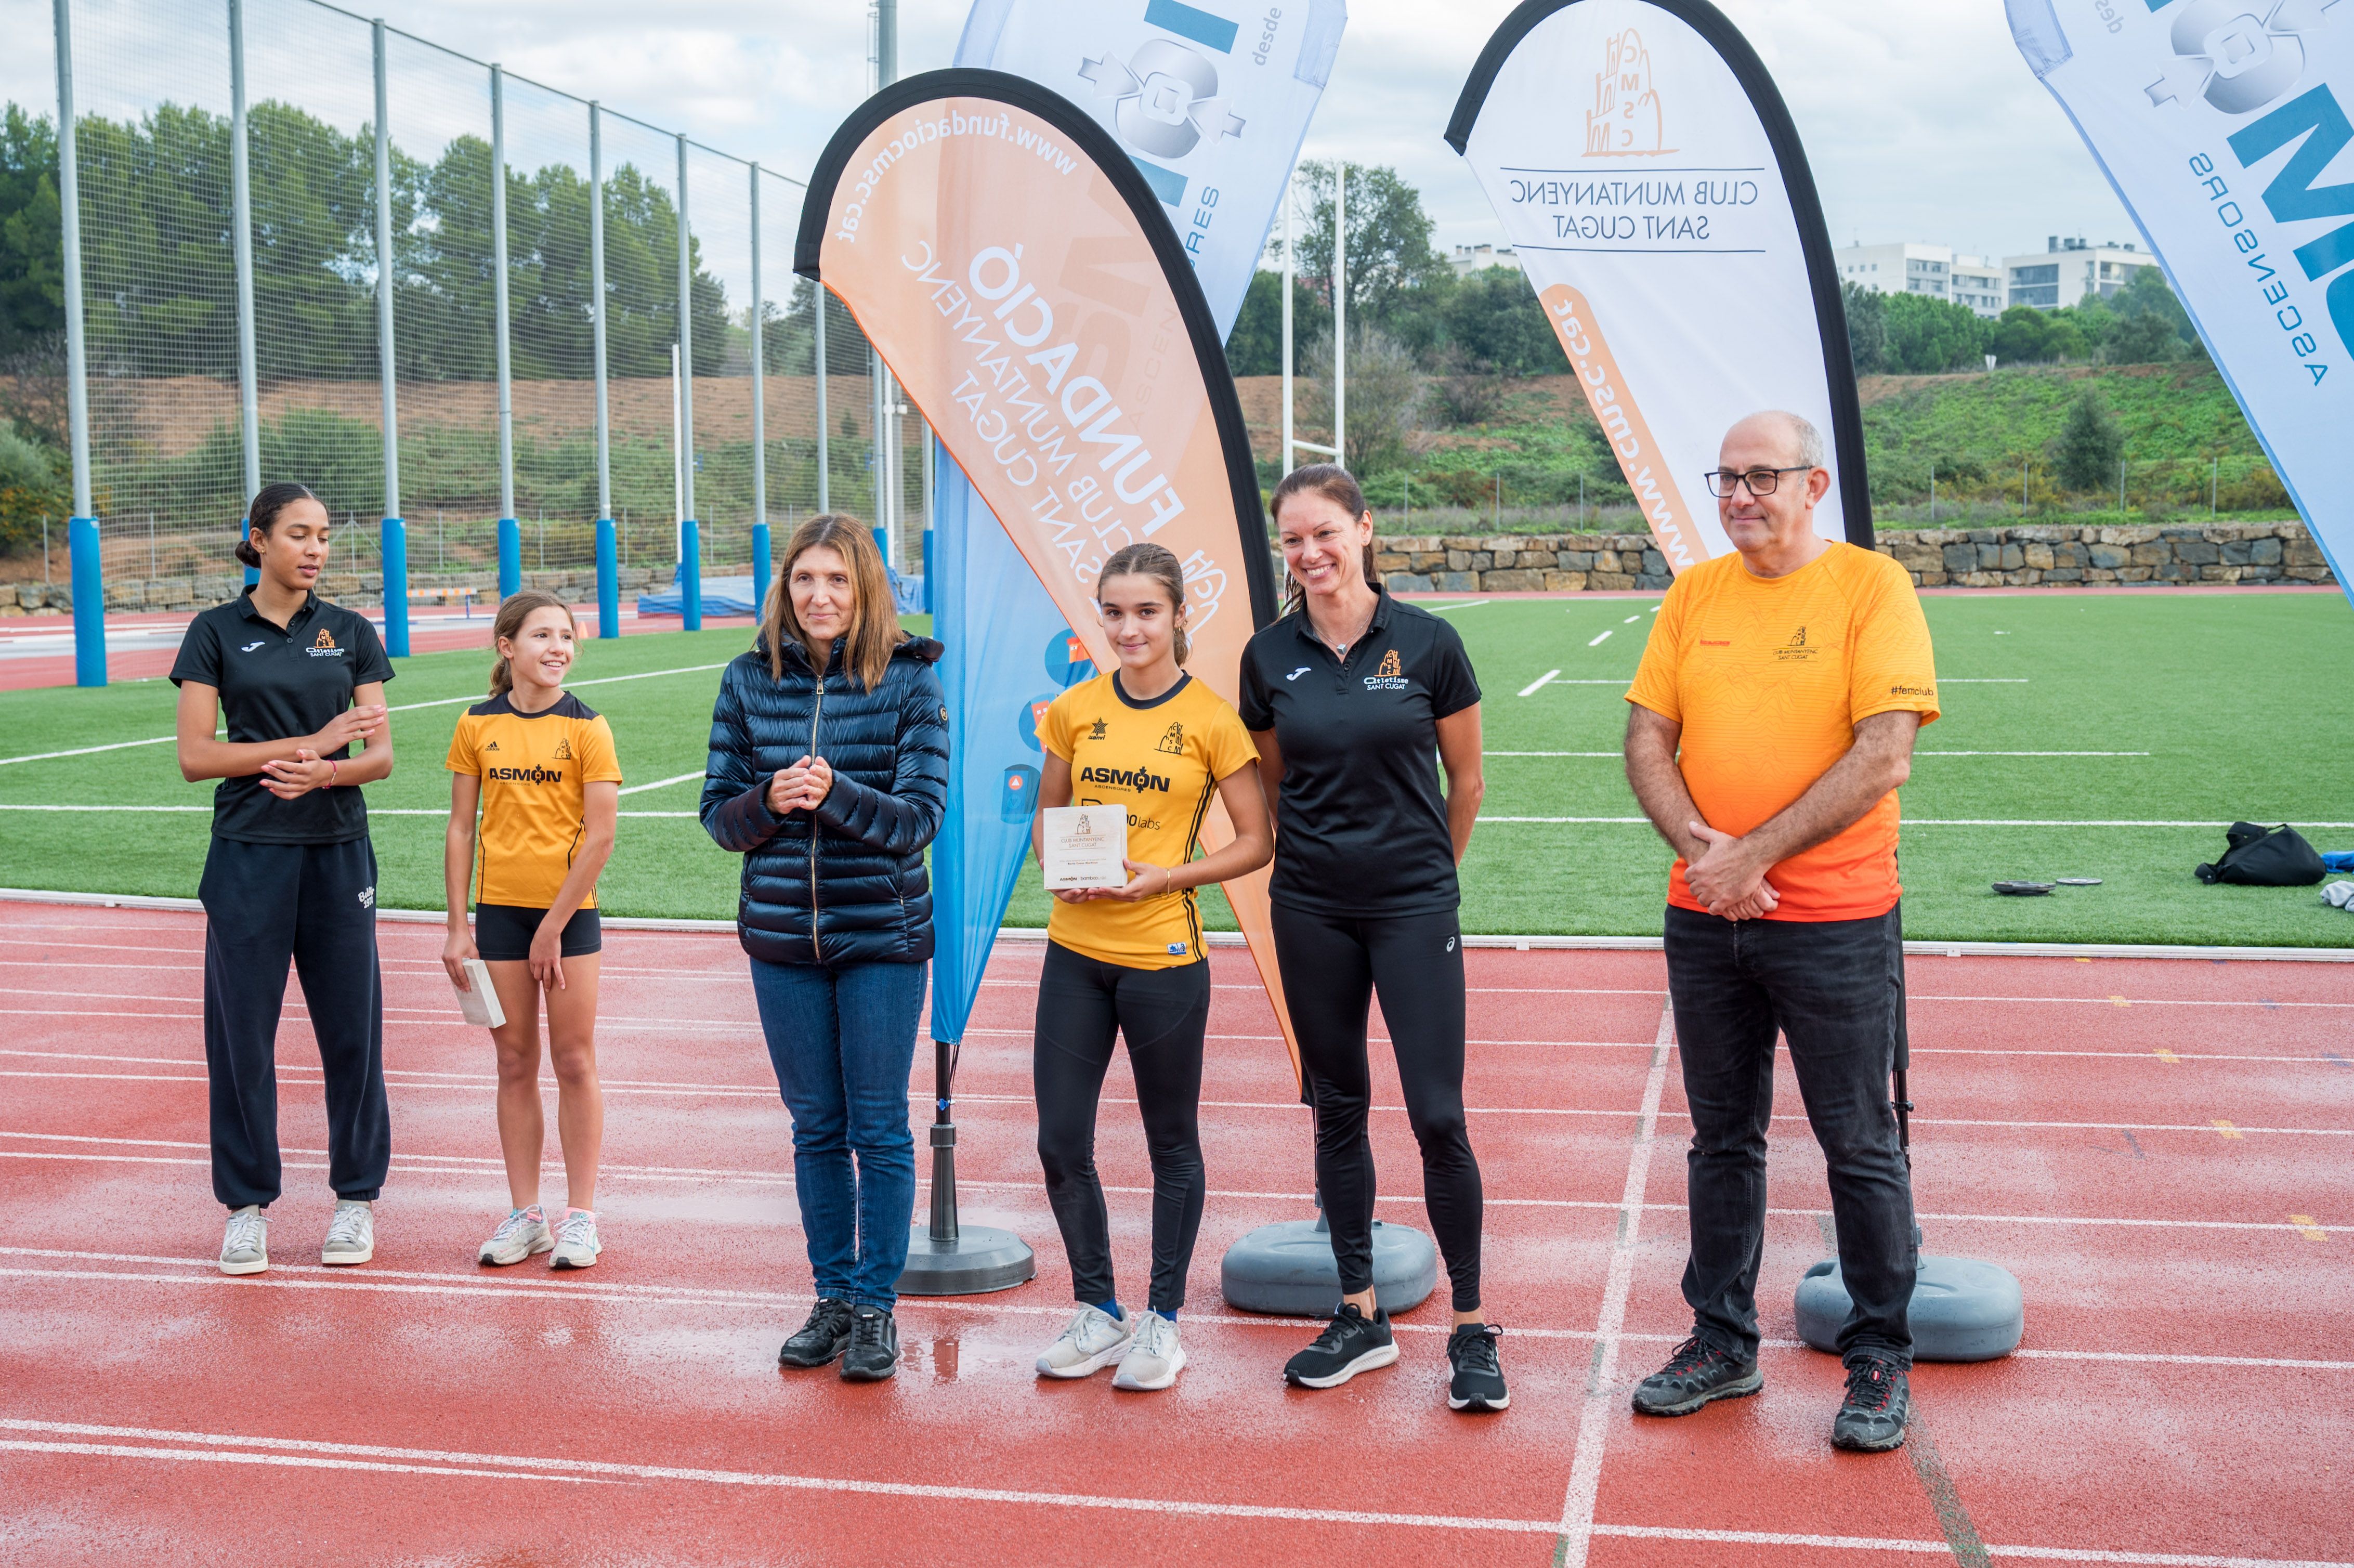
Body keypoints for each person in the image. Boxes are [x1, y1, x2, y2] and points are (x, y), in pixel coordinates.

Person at [1621, 410, 1938, 1454]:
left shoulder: (1870, 587)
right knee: (1721, 1138)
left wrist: (1749, 853)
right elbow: (1645, 736)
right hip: (1706, 915)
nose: (1738, 494)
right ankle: (1721, 1338)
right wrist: (1707, 856)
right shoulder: (1693, 592)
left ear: (1813, 486)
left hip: (1836, 917)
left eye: (1760, 476)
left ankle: (1879, 1352)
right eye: (1724, 476)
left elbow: (1882, 754)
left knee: (1856, 1141)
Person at [1238, 464, 1506, 1414]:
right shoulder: (1268, 657)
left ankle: (1472, 1329)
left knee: (1438, 1114)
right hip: (1309, 908)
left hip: (1413, 907)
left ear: (1364, 530)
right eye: (1294, 540)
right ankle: (1360, 1314)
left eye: (1326, 534)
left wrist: (1431, 875)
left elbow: (1465, 782)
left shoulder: (1431, 644)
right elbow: (1276, 784)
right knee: (1338, 1108)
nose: (1311, 554)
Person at [701, 515, 947, 1383]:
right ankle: (833, 1298)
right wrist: (768, 797)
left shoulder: (910, 683)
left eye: (837, 581)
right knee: (815, 1129)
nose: (820, 597)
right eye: (805, 580)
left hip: (881, 937)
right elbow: (718, 819)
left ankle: (877, 1306)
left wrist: (835, 794)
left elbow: (919, 820)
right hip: (781, 942)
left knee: (877, 1129)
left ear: (865, 588)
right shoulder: (746, 679)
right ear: (784, 589)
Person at [1027, 543, 1273, 1392]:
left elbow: (1255, 841)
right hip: (1073, 952)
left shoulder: (1209, 718)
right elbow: (1046, 819)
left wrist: (1171, 875)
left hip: (1166, 957)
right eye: (1115, 612)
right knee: (1061, 1142)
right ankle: (1100, 1310)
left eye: (1146, 613)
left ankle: (1163, 1321)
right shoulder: (1074, 709)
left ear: (1177, 617)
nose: (1129, 629)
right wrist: (1060, 866)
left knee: (1171, 1142)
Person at [171, 481, 395, 1276]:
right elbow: (197, 756)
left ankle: (356, 1198)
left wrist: (326, 775)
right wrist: (311, 743)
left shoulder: (350, 631)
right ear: (257, 539)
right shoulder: (214, 633)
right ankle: (246, 1208)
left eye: (325, 536)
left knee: (352, 1034)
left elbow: (378, 755)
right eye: (299, 534)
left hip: (338, 852)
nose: (315, 550)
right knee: (241, 1042)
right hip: (247, 856)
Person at [441, 591, 622, 1271]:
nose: (558, 648)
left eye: (567, 637)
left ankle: (581, 1217)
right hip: (499, 919)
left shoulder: (588, 727)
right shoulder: (475, 724)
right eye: (542, 635)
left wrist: (552, 928)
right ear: (506, 647)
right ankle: (527, 1216)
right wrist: (459, 926)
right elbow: (462, 827)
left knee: (573, 1060)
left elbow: (601, 838)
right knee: (513, 1063)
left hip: (569, 919)